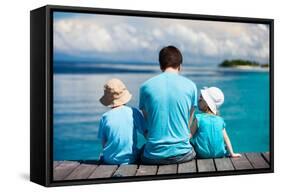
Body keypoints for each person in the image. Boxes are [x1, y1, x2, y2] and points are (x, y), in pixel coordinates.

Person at [139, 45, 197, 164]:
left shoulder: (145, 87)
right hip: (183, 154)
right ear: (180, 66)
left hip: (153, 155)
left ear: (161, 65)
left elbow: (148, 122)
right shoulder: (191, 86)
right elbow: (188, 122)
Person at [98, 78, 145, 164]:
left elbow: (104, 144)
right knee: (145, 147)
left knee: (102, 154)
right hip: (131, 159)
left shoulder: (105, 117)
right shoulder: (133, 112)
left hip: (109, 160)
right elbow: (146, 133)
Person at [190, 87, 241, 158]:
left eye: (201, 98)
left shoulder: (198, 118)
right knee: (223, 145)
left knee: (189, 143)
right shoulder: (220, 120)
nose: (198, 100)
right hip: (219, 154)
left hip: (202, 154)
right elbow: (226, 138)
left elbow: (189, 136)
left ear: (207, 103)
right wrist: (232, 153)